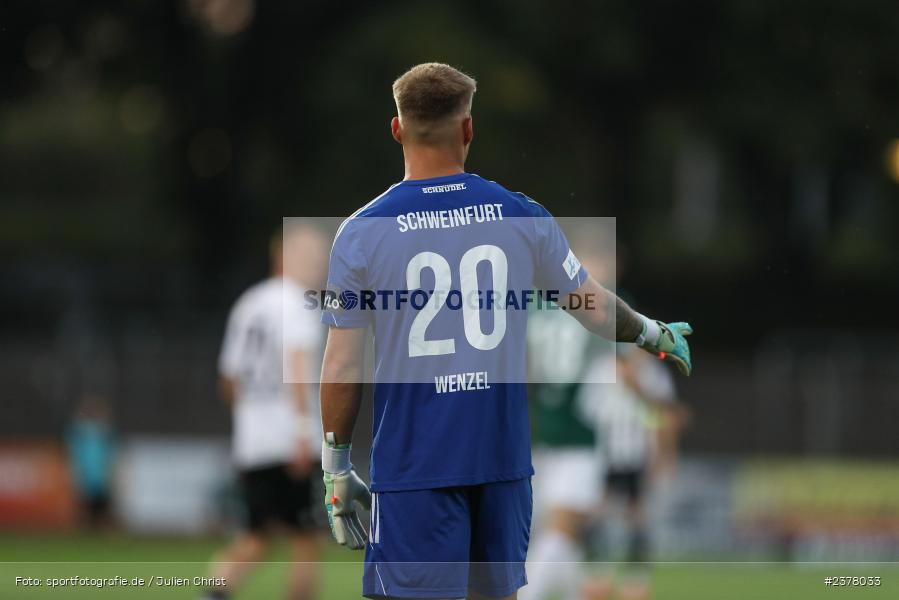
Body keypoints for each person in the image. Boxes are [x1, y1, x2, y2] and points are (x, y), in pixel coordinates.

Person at [317, 62, 693, 600]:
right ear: (468, 130)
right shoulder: (520, 214)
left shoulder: (361, 233)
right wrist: (651, 333)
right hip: (502, 463)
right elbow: (590, 304)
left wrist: (335, 468)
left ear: (396, 129)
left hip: (415, 464)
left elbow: (342, 364)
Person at [202, 224, 328, 600]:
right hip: (292, 441)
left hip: (253, 442)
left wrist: (253, 417)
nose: (318, 265)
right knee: (306, 540)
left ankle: (210, 595)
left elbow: (228, 381)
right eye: (311, 257)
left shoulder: (249, 303)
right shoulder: (298, 304)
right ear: (284, 257)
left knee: (256, 537)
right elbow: (297, 367)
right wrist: (303, 431)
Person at [66, 394, 116, 531]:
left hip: (101, 475)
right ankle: (85, 530)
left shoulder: (104, 432)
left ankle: (103, 529)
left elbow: (112, 451)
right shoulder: (79, 432)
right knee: (85, 506)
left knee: (103, 506)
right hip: (86, 475)